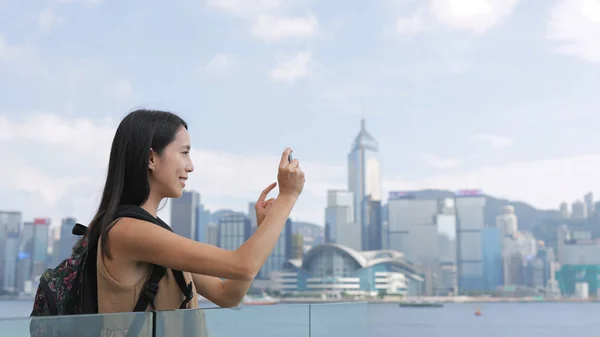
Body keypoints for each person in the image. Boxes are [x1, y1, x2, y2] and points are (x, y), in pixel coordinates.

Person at [86, 109, 305, 314]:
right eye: (184, 153)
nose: (190, 166)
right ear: (151, 158)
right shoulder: (128, 231)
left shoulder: (152, 231)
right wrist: (288, 196)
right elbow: (242, 265)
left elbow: (227, 295)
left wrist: (265, 226)